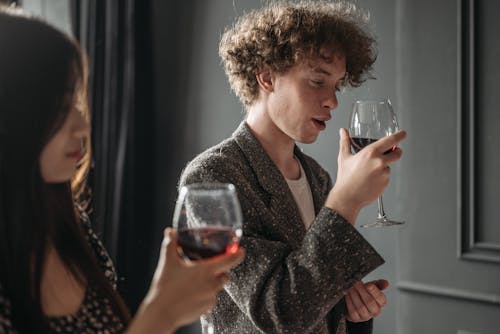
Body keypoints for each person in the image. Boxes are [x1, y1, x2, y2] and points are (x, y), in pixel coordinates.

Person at [0, 6, 244, 334]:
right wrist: (161, 314)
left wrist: (164, 305)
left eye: (76, 104)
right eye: (59, 109)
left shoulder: (69, 228)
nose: (83, 126)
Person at [179, 1, 407, 333]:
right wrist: (347, 202)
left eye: (337, 85)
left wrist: (351, 310)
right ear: (267, 76)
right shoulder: (211, 178)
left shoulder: (317, 177)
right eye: (318, 81)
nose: (332, 101)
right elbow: (280, 314)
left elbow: (319, 303)